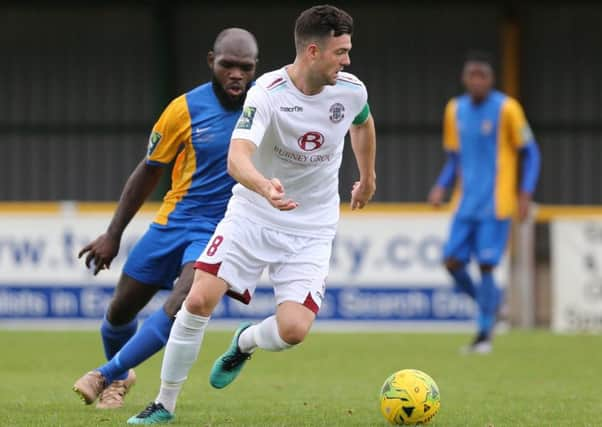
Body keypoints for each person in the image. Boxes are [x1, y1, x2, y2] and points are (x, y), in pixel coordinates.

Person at [127, 5, 376, 424]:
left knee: (294, 330)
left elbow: (363, 124)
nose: (347, 60)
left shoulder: (351, 90)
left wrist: (367, 177)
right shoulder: (267, 93)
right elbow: (237, 158)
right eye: (341, 52)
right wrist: (264, 186)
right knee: (200, 296)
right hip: (254, 213)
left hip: (312, 226)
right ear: (313, 51)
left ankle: (244, 342)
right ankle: (163, 404)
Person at [72, 28, 258, 409]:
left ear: (256, 68)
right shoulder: (183, 109)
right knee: (119, 312)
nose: (236, 74)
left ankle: (106, 375)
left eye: (246, 67)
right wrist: (113, 233)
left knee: (181, 303)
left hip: (221, 229)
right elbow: (149, 170)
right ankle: (122, 376)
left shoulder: (262, 111)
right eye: (228, 65)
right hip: (173, 221)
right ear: (211, 61)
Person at [428, 51, 541, 354]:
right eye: (472, 75)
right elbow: (454, 158)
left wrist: (525, 192)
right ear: (465, 79)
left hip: (497, 204)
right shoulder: (455, 110)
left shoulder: (507, 109)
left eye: (483, 75)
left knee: (488, 264)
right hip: (465, 204)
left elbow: (531, 153)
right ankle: (488, 306)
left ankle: (483, 335)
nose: (477, 81)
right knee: (452, 261)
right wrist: (441, 186)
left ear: (491, 79)